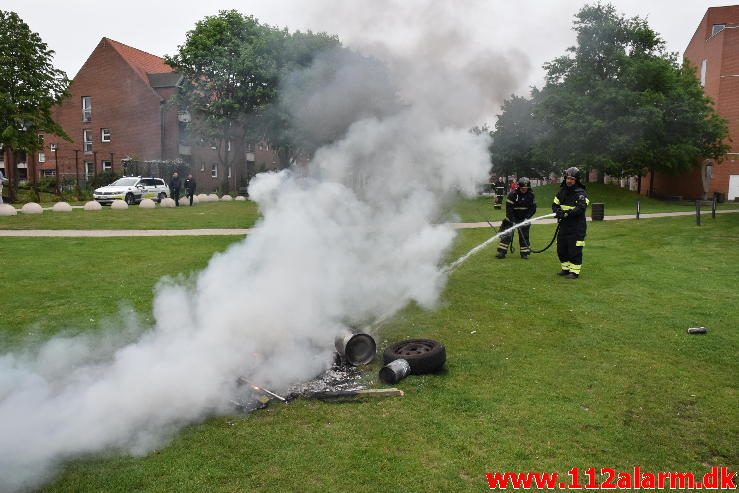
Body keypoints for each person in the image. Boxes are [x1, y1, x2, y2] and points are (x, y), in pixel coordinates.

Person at [552, 167, 590, 279]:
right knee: (561, 248)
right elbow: (555, 204)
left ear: (576, 180)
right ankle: (566, 269)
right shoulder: (561, 192)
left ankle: (574, 272)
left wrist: (568, 213)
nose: (569, 181)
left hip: (576, 227)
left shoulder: (581, 194)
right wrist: (557, 211)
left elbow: (581, 208)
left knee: (574, 250)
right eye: (568, 178)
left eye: (572, 179)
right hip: (564, 226)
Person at [496, 177, 537, 259]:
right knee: (506, 235)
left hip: (524, 218)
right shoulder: (512, 195)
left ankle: (524, 253)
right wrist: (513, 221)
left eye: (526, 188)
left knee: (524, 236)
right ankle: (501, 252)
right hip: (511, 218)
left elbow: (533, 209)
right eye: (522, 188)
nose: (524, 189)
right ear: (519, 187)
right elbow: (509, 209)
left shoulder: (531, 195)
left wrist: (527, 218)